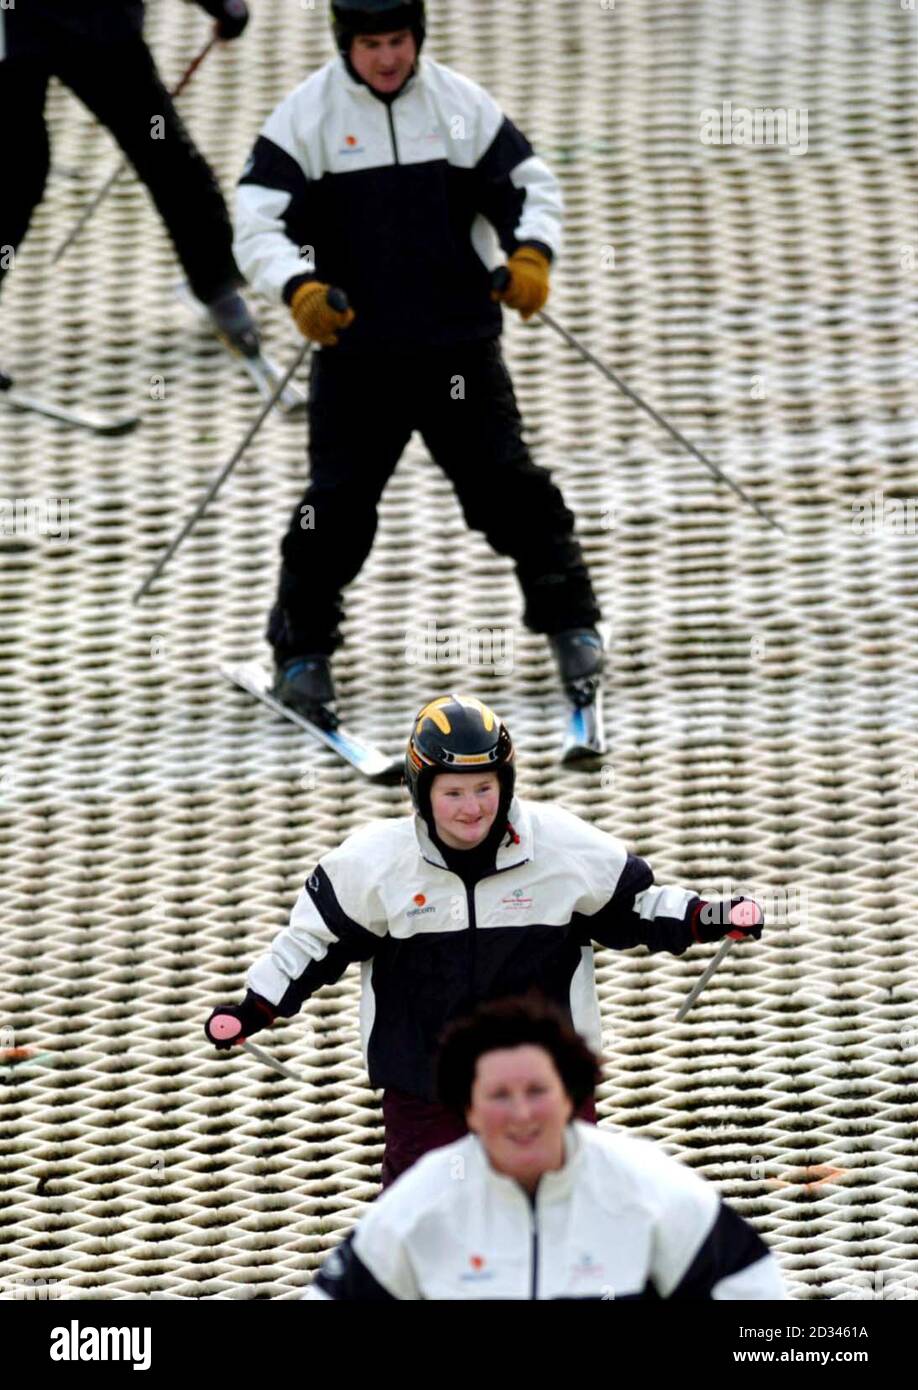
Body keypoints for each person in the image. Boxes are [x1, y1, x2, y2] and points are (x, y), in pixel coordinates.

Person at [204, 693, 764, 1185]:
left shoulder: (557, 848)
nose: (471, 808)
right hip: (428, 1087)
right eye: (452, 793)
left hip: (545, 1084)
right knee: (424, 1232)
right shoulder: (376, 865)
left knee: (563, 1217)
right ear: (419, 791)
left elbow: (637, 907)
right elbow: (308, 943)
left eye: (484, 788)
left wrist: (707, 916)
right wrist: (256, 1007)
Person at [232, 0, 606, 724]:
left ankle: (574, 627)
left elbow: (531, 188)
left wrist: (530, 256)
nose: (387, 58)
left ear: (417, 36)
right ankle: (302, 654)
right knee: (335, 508)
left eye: (398, 40)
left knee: (509, 488)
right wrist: (297, 288)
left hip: (457, 347)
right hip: (357, 354)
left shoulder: (459, 106)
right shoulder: (305, 118)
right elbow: (254, 221)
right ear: (348, 42)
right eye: (371, 43)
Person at [302, 996, 787, 1299]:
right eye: (498, 1096)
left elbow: (752, 1291)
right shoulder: (423, 1202)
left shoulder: (646, 1187)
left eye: (537, 1091)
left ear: (571, 1096)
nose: (521, 1114)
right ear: (466, 1108)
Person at [0, 0, 260, 357]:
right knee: (16, 174)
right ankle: (217, 287)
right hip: (15, 35)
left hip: (97, 28)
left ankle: (216, 285)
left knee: (164, 152)